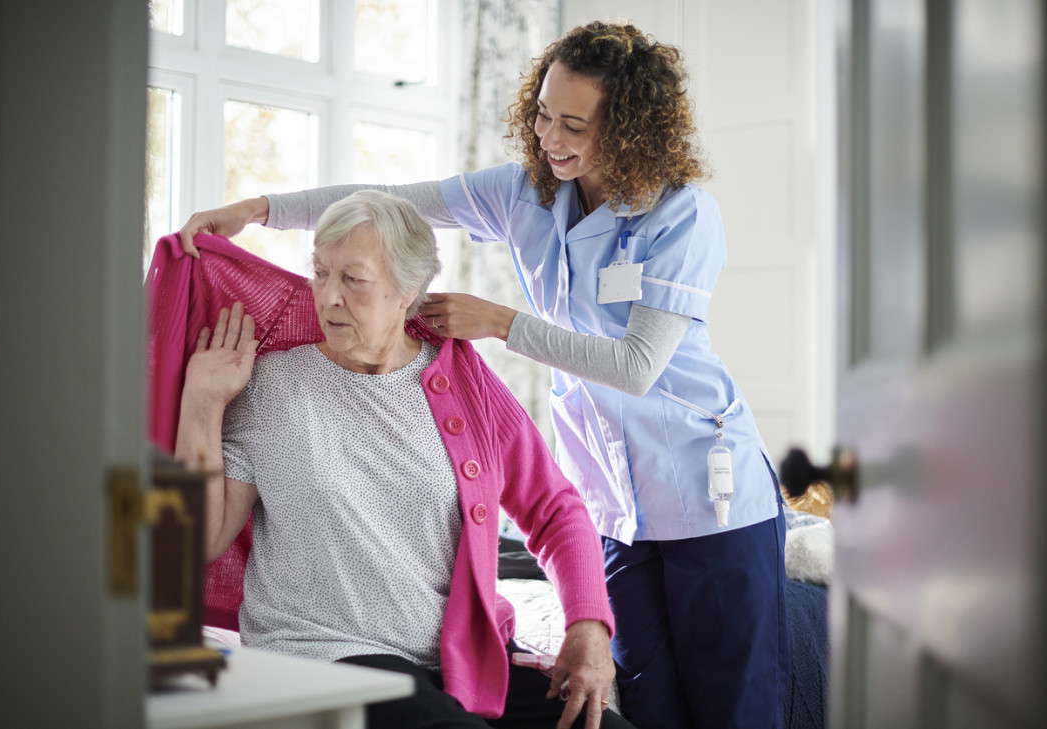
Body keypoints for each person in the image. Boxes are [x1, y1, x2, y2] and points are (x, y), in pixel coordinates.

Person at [178, 21, 789, 729]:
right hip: (617, 500)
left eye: (573, 124)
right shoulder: (525, 193)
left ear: (626, 129)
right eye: (541, 114)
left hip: (707, 488)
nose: (550, 137)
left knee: (735, 707)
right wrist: (259, 209)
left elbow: (636, 367)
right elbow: (390, 197)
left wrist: (499, 322)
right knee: (650, 705)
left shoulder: (681, 215)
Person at [172, 190, 634, 729]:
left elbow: (555, 506)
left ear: (408, 290)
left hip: (458, 664)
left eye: (354, 279)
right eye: (320, 272)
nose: (328, 297)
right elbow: (198, 540)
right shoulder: (274, 386)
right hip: (326, 656)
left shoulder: (463, 380)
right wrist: (201, 404)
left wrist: (588, 626)